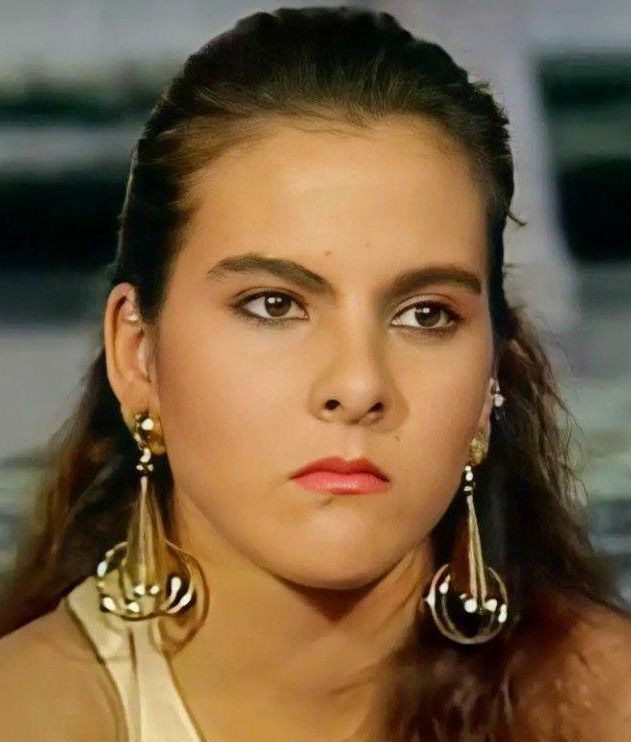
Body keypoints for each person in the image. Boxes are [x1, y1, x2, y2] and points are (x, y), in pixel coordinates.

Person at [0, 6, 630, 740]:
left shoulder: (604, 705)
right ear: (138, 356)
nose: (358, 386)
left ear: (492, 369)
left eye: (425, 315)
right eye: (274, 305)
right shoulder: (35, 715)